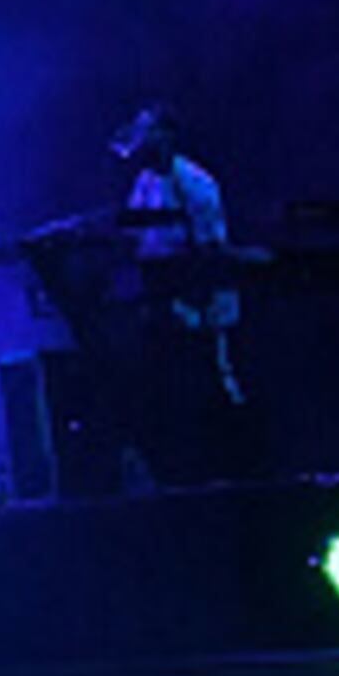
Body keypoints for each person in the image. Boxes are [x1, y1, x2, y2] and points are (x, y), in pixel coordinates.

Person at [111, 101, 252, 485]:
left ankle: (233, 469)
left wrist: (197, 301)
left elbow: (211, 250)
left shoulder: (196, 183)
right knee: (169, 396)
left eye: (148, 132)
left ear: (167, 136)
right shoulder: (144, 182)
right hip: (164, 302)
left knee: (212, 388)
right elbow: (135, 234)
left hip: (198, 304)